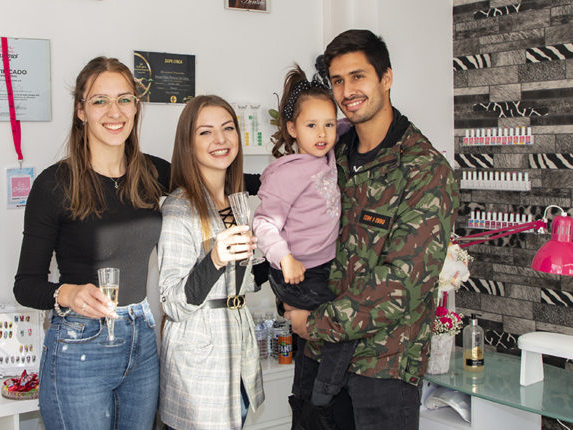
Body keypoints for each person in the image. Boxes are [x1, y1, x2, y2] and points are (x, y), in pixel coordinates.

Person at [285, 29, 460, 430]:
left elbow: (401, 285)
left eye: (358, 76)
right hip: (318, 361)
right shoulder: (330, 155)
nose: (347, 91)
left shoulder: (423, 170)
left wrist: (313, 323)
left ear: (386, 78)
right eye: (337, 80)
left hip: (381, 371)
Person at [13, 57, 169, 430]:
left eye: (125, 99)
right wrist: (67, 293)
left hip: (141, 339)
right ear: (81, 111)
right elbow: (25, 285)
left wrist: (291, 172)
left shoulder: (153, 173)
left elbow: (216, 180)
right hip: (80, 344)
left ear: (136, 106)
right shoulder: (54, 185)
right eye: (100, 101)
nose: (115, 112)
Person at [252, 64, 356, 429]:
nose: (323, 133)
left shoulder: (326, 151)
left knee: (319, 339)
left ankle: (311, 399)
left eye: (328, 124)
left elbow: (348, 124)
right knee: (340, 329)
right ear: (292, 129)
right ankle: (323, 398)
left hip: (321, 267)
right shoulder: (288, 172)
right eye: (311, 125)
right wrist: (285, 257)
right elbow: (264, 222)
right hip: (297, 270)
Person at [158, 95, 264, 430]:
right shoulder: (179, 208)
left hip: (238, 353)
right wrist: (215, 258)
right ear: (188, 144)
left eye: (228, 128)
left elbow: (241, 282)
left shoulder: (236, 202)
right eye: (205, 132)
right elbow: (172, 303)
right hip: (200, 364)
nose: (220, 139)